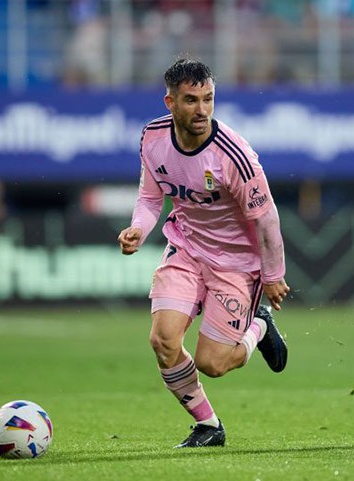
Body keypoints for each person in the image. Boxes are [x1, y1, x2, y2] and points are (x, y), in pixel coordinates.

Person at [118, 57, 291, 448]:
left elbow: (267, 219)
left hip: (237, 265)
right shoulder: (152, 138)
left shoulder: (235, 155)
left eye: (209, 99)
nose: (202, 110)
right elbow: (150, 198)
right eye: (192, 100)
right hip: (187, 248)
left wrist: (274, 275)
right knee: (163, 341)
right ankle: (208, 425)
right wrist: (138, 230)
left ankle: (258, 325)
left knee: (213, 363)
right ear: (170, 103)